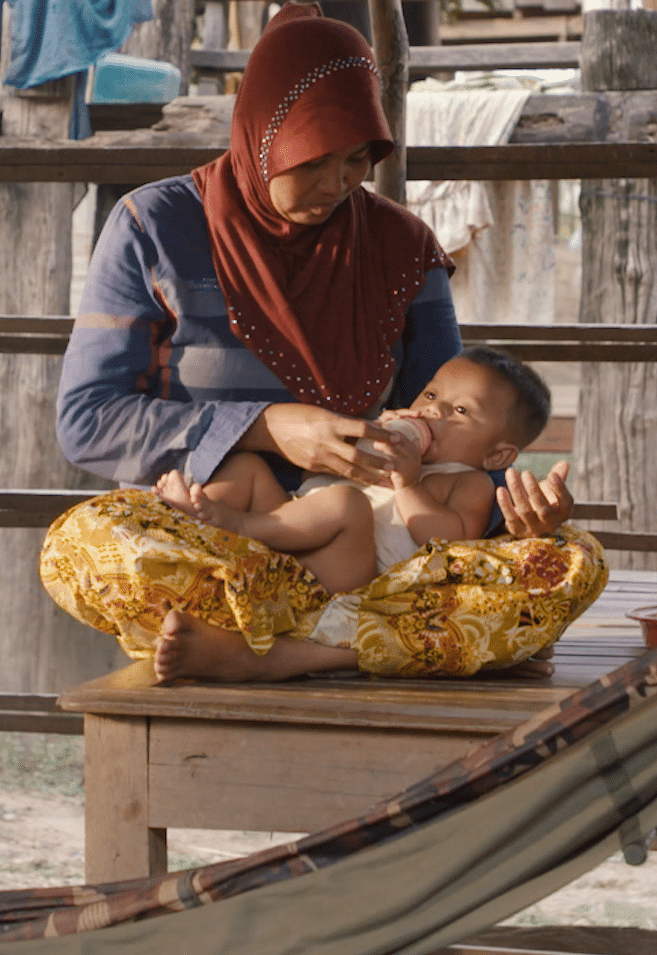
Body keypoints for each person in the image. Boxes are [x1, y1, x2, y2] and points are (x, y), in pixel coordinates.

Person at [40, 3, 606, 686]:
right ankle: (374, 640)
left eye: (357, 160)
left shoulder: (400, 248)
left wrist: (515, 519)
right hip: (218, 546)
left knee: (571, 561)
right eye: (314, 161)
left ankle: (286, 650)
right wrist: (262, 427)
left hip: (374, 565)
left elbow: (449, 420)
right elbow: (88, 422)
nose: (338, 185)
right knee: (82, 543)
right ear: (263, 136)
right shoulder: (152, 228)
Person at [153, 348, 552, 598]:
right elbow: (331, 467)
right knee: (248, 466)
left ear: (498, 456)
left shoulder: (468, 481)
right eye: (431, 395)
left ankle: (231, 526)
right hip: (294, 533)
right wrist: (377, 433)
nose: (434, 411)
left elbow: (448, 541)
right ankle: (198, 528)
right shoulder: (391, 440)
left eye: (461, 411)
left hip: (348, 577)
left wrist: (410, 484)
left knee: (348, 503)